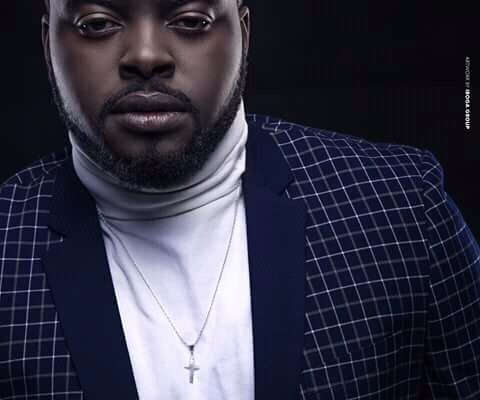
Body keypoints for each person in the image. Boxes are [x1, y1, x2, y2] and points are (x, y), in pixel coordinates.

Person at [0, 0, 479, 398]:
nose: (146, 55)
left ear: (243, 35)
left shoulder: (401, 207)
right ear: (47, 45)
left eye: (191, 20)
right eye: (97, 23)